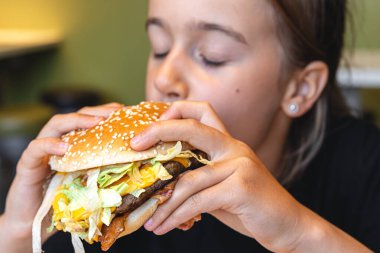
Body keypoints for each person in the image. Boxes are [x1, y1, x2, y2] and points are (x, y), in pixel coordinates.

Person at [1, 0, 380, 252]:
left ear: (300, 86)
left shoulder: (364, 166)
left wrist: (297, 233)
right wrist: (20, 231)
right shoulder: (132, 203)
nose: (165, 77)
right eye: (160, 46)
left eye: (210, 56)